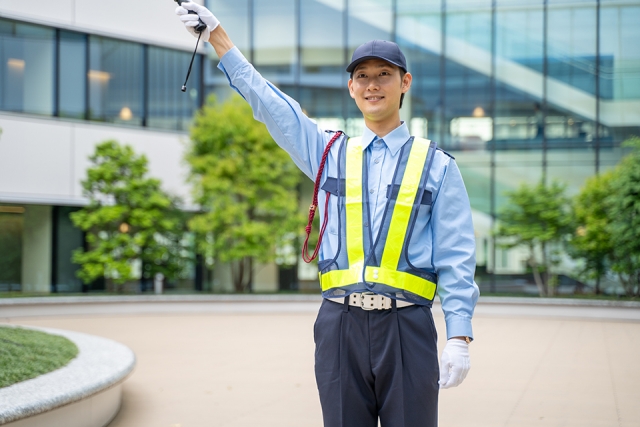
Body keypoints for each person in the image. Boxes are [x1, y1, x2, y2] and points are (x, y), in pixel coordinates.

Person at [175, 3, 479, 426]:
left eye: (384, 75)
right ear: (351, 88)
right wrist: (218, 37)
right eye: (362, 76)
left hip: (408, 327)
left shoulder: (438, 165)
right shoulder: (329, 152)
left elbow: (457, 255)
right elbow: (271, 104)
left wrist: (459, 336)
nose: (373, 85)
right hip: (339, 325)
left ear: (404, 82)